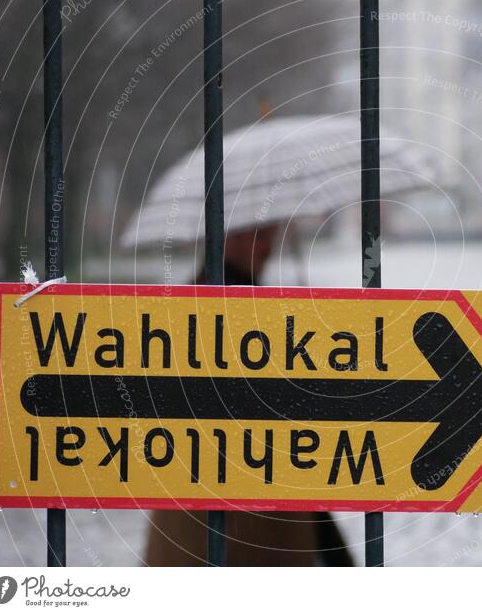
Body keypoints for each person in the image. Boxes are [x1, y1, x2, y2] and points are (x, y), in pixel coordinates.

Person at [144, 225, 352, 566]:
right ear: (225, 236)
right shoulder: (238, 313)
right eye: (259, 235)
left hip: (201, 529)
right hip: (240, 526)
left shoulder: (187, 304)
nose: (269, 247)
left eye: (271, 235)